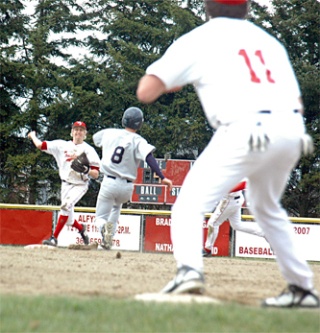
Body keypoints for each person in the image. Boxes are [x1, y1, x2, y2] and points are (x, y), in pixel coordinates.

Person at [136, 0, 319, 308]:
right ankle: (302, 288)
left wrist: (173, 82)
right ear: (247, 7)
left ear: (208, 6)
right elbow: (298, 100)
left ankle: (189, 271)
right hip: (291, 129)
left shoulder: (200, 37)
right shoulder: (269, 41)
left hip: (244, 127)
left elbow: (146, 91)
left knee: (189, 205)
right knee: (267, 209)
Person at [92, 107, 173, 250]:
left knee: (100, 217)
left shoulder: (110, 132)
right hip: (127, 187)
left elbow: (95, 139)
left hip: (109, 181)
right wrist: (162, 177)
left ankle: (104, 229)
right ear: (139, 124)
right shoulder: (138, 140)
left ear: (124, 119)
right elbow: (149, 157)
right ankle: (107, 241)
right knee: (116, 207)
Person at [28, 121, 100, 246]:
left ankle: (53, 238)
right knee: (68, 220)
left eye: (81, 130)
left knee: (66, 206)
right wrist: (33, 135)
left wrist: (87, 169)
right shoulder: (61, 145)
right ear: (71, 132)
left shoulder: (89, 150)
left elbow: (96, 174)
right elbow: (40, 145)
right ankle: (81, 229)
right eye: (76, 129)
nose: (78, 132)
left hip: (80, 185)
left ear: (85, 134)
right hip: (65, 184)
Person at [203, 180, 265, 257]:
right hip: (234, 200)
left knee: (213, 223)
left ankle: (207, 249)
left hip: (229, 201)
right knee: (237, 225)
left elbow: (243, 184)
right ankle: (263, 232)